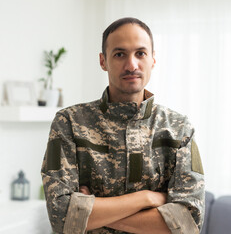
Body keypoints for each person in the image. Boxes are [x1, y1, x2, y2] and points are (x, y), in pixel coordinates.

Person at [41, 17, 205, 234]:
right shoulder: (69, 122)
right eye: (120, 54)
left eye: (140, 53)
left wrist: (92, 212)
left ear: (153, 59)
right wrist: (146, 198)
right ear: (103, 61)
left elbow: (188, 223)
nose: (131, 65)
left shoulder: (179, 128)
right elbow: (61, 216)